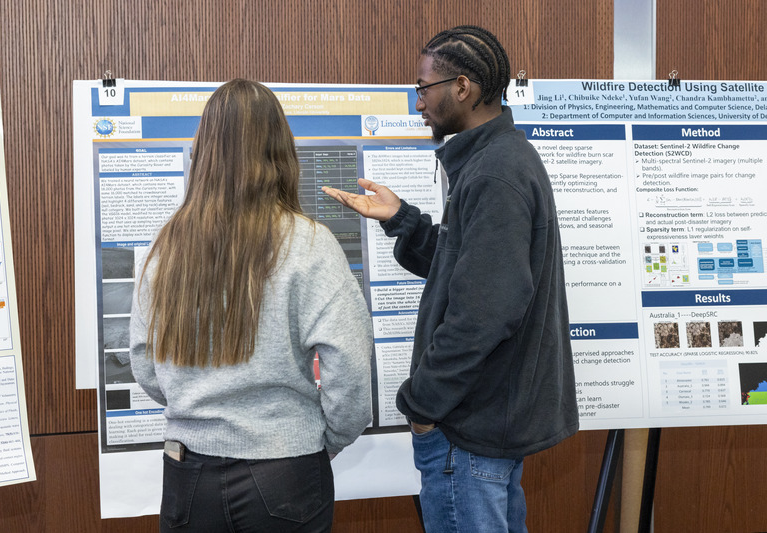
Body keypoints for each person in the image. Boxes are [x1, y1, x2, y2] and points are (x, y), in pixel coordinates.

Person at [323, 26, 578, 533]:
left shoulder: (494, 173)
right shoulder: (496, 160)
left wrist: (422, 405)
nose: (419, 103)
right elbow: (468, 269)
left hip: (470, 429)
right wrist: (403, 220)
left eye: (424, 87)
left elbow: (484, 311)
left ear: (463, 88)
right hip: (483, 425)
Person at [129, 79, 373, 533]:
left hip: (188, 474)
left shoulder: (162, 248)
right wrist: (324, 439)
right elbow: (352, 369)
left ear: (202, 151)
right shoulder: (311, 244)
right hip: (287, 471)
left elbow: (145, 363)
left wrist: (197, 406)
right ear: (281, 150)